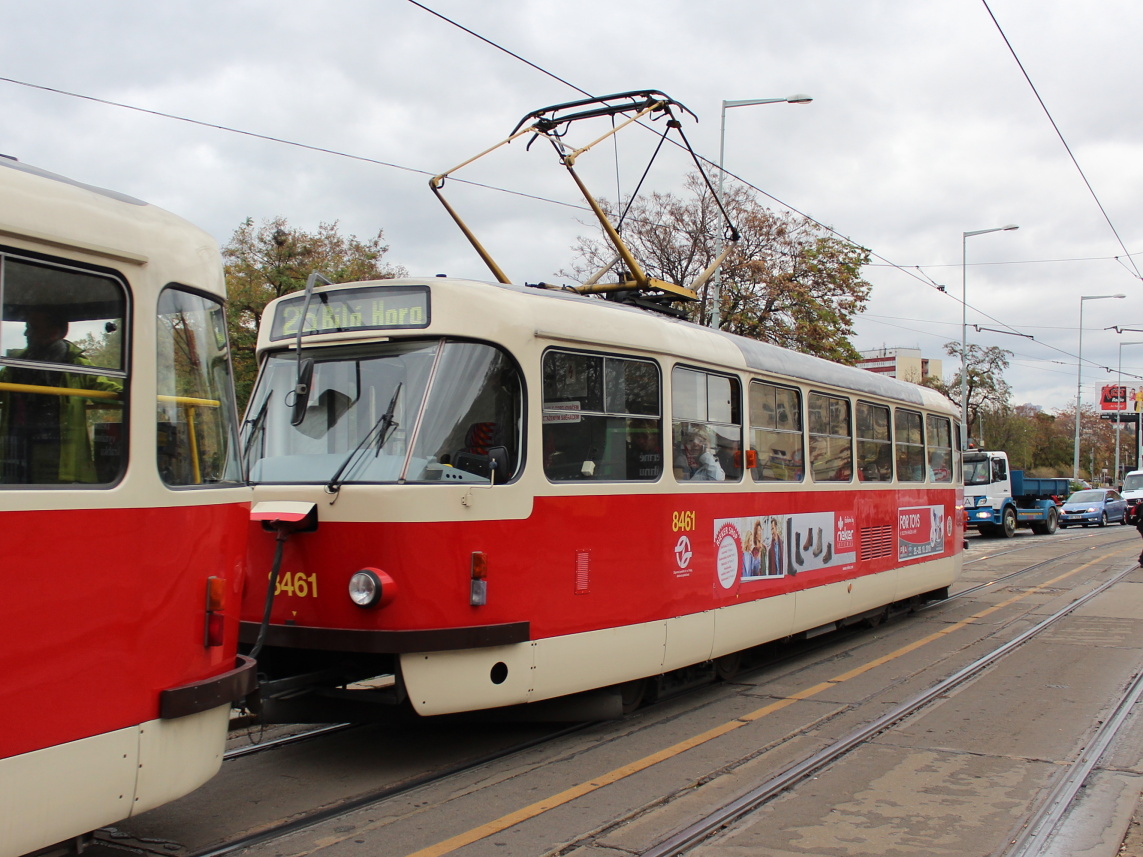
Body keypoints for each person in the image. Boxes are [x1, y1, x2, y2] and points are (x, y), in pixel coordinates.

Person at [0, 308, 121, 483]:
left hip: (58, 447)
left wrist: (135, 395)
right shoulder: (17, 363)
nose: (26, 333)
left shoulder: (74, 363)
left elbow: (104, 389)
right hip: (17, 444)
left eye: (33, 328)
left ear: (55, 331)